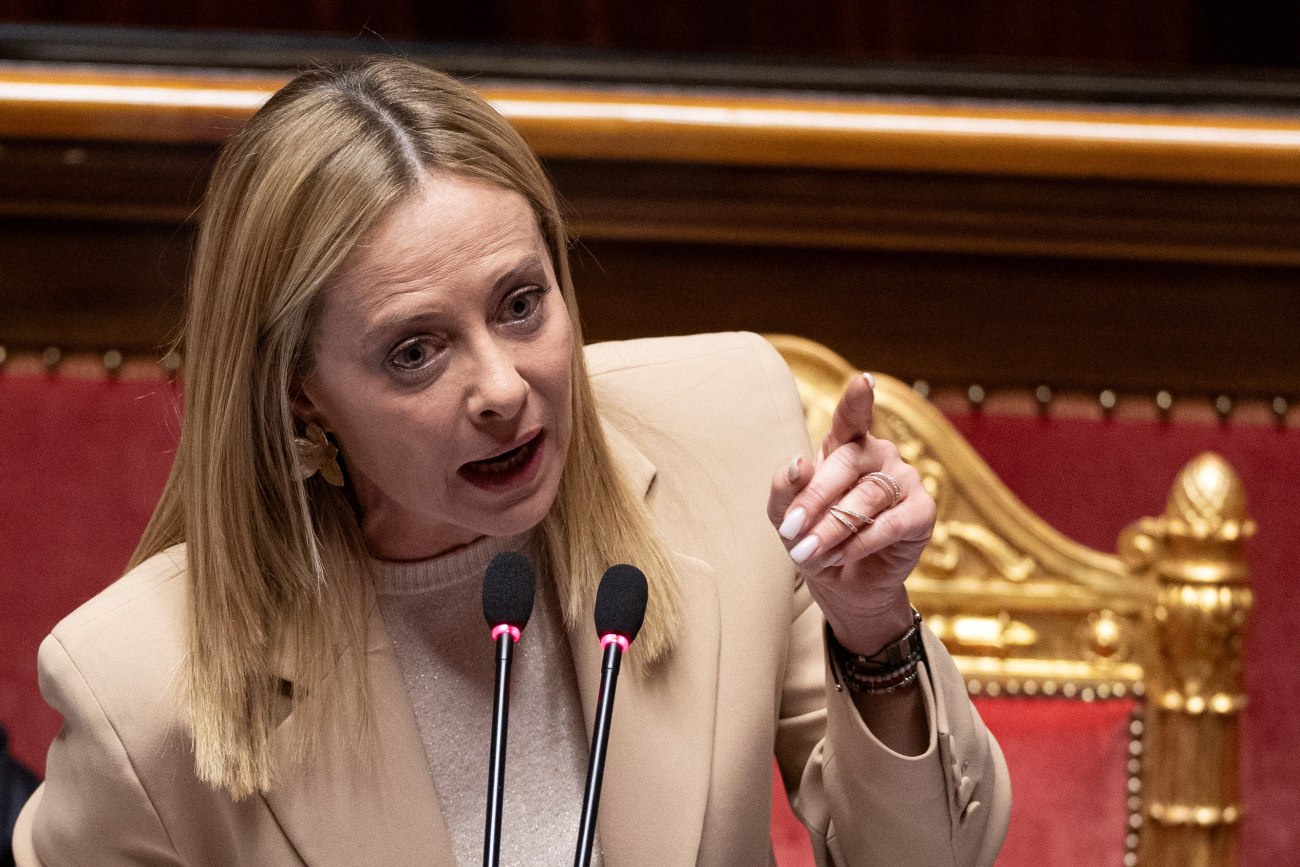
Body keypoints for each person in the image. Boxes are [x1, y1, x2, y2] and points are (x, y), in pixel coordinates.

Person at [12, 57, 1008, 866]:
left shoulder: (727, 440)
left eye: (521, 304)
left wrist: (872, 628)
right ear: (299, 389)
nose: (500, 388)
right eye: (415, 351)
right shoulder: (139, 684)